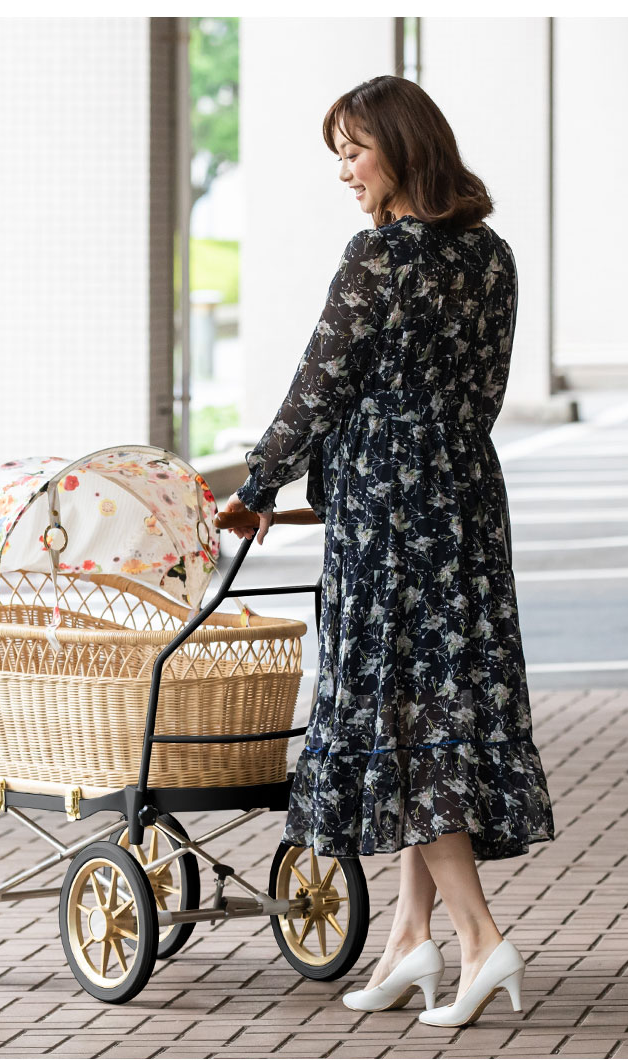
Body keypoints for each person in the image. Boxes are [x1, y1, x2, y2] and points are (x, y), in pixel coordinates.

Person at [218, 74, 556, 1027]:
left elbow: (317, 386)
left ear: (403, 149)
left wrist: (255, 488)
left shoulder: (379, 259)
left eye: (353, 151)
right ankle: (411, 940)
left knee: (399, 714)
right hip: (465, 502)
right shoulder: (492, 257)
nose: (344, 172)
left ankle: (483, 940)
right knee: (439, 702)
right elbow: (482, 393)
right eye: (338, 154)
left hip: (388, 515)